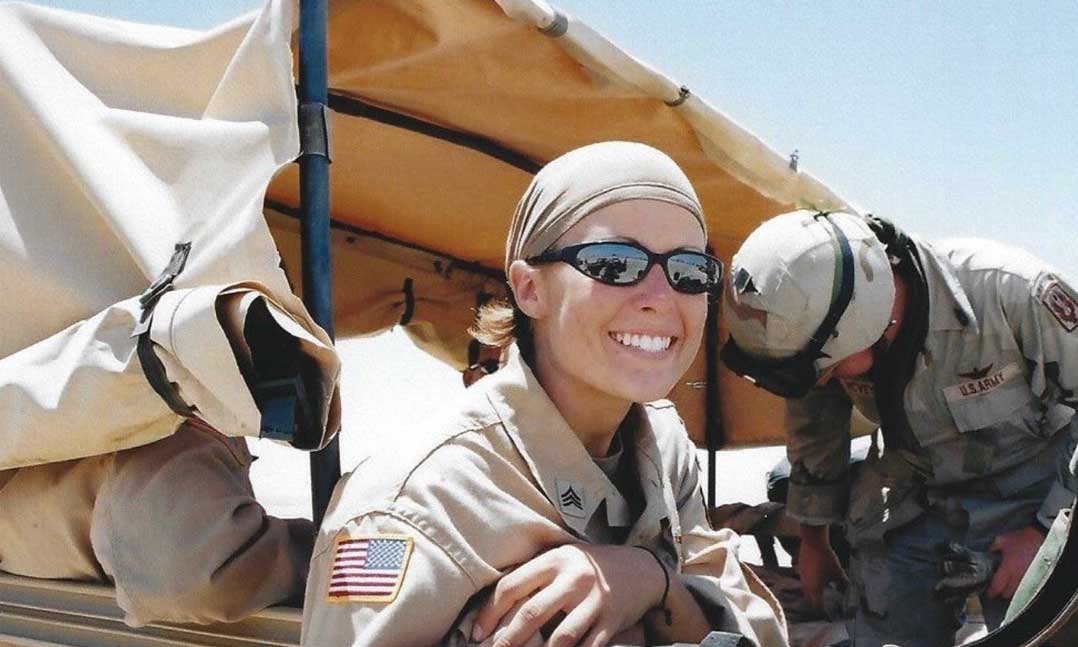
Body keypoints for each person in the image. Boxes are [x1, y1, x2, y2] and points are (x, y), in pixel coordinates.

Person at [301, 141, 788, 647]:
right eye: (614, 264)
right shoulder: (417, 505)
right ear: (529, 289)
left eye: (688, 271)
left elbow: (758, 631)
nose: (660, 299)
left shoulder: (661, 448)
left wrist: (653, 580)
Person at [720, 210, 1078, 647]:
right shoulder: (820, 336)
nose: (821, 381)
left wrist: (1047, 535)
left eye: (825, 370)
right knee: (885, 620)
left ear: (867, 321)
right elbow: (816, 426)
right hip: (920, 492)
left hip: (1043, 493)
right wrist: (814, 540)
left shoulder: (1010, 292)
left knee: (1045, 625)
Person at [0, 418, 314, 627]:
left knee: (188, 568)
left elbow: (188, 575)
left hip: (130, 407)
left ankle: (338, 553)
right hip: (25, 449)